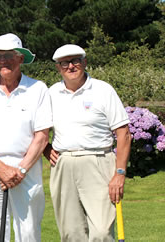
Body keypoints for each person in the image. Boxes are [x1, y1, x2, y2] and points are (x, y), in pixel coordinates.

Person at [0, 33, 53, 242]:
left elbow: (42, 136)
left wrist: (20, 170)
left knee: (29, 230)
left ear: (21, 58)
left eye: (8, 56)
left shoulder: (38, 89)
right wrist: (0, 168)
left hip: (27, 169)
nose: (3, 61)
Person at [44, 44, 132, 241]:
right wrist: (46, 148)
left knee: (101, 232)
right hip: (63, 164)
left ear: (84, 62)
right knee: (71, 233)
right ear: (58, 68)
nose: (71, 66)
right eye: (64, 63)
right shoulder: (51, 93)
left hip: (99, 161)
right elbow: (37, 129)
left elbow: (124, 134)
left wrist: (120, 173)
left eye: (75, 61)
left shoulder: (103, 90)